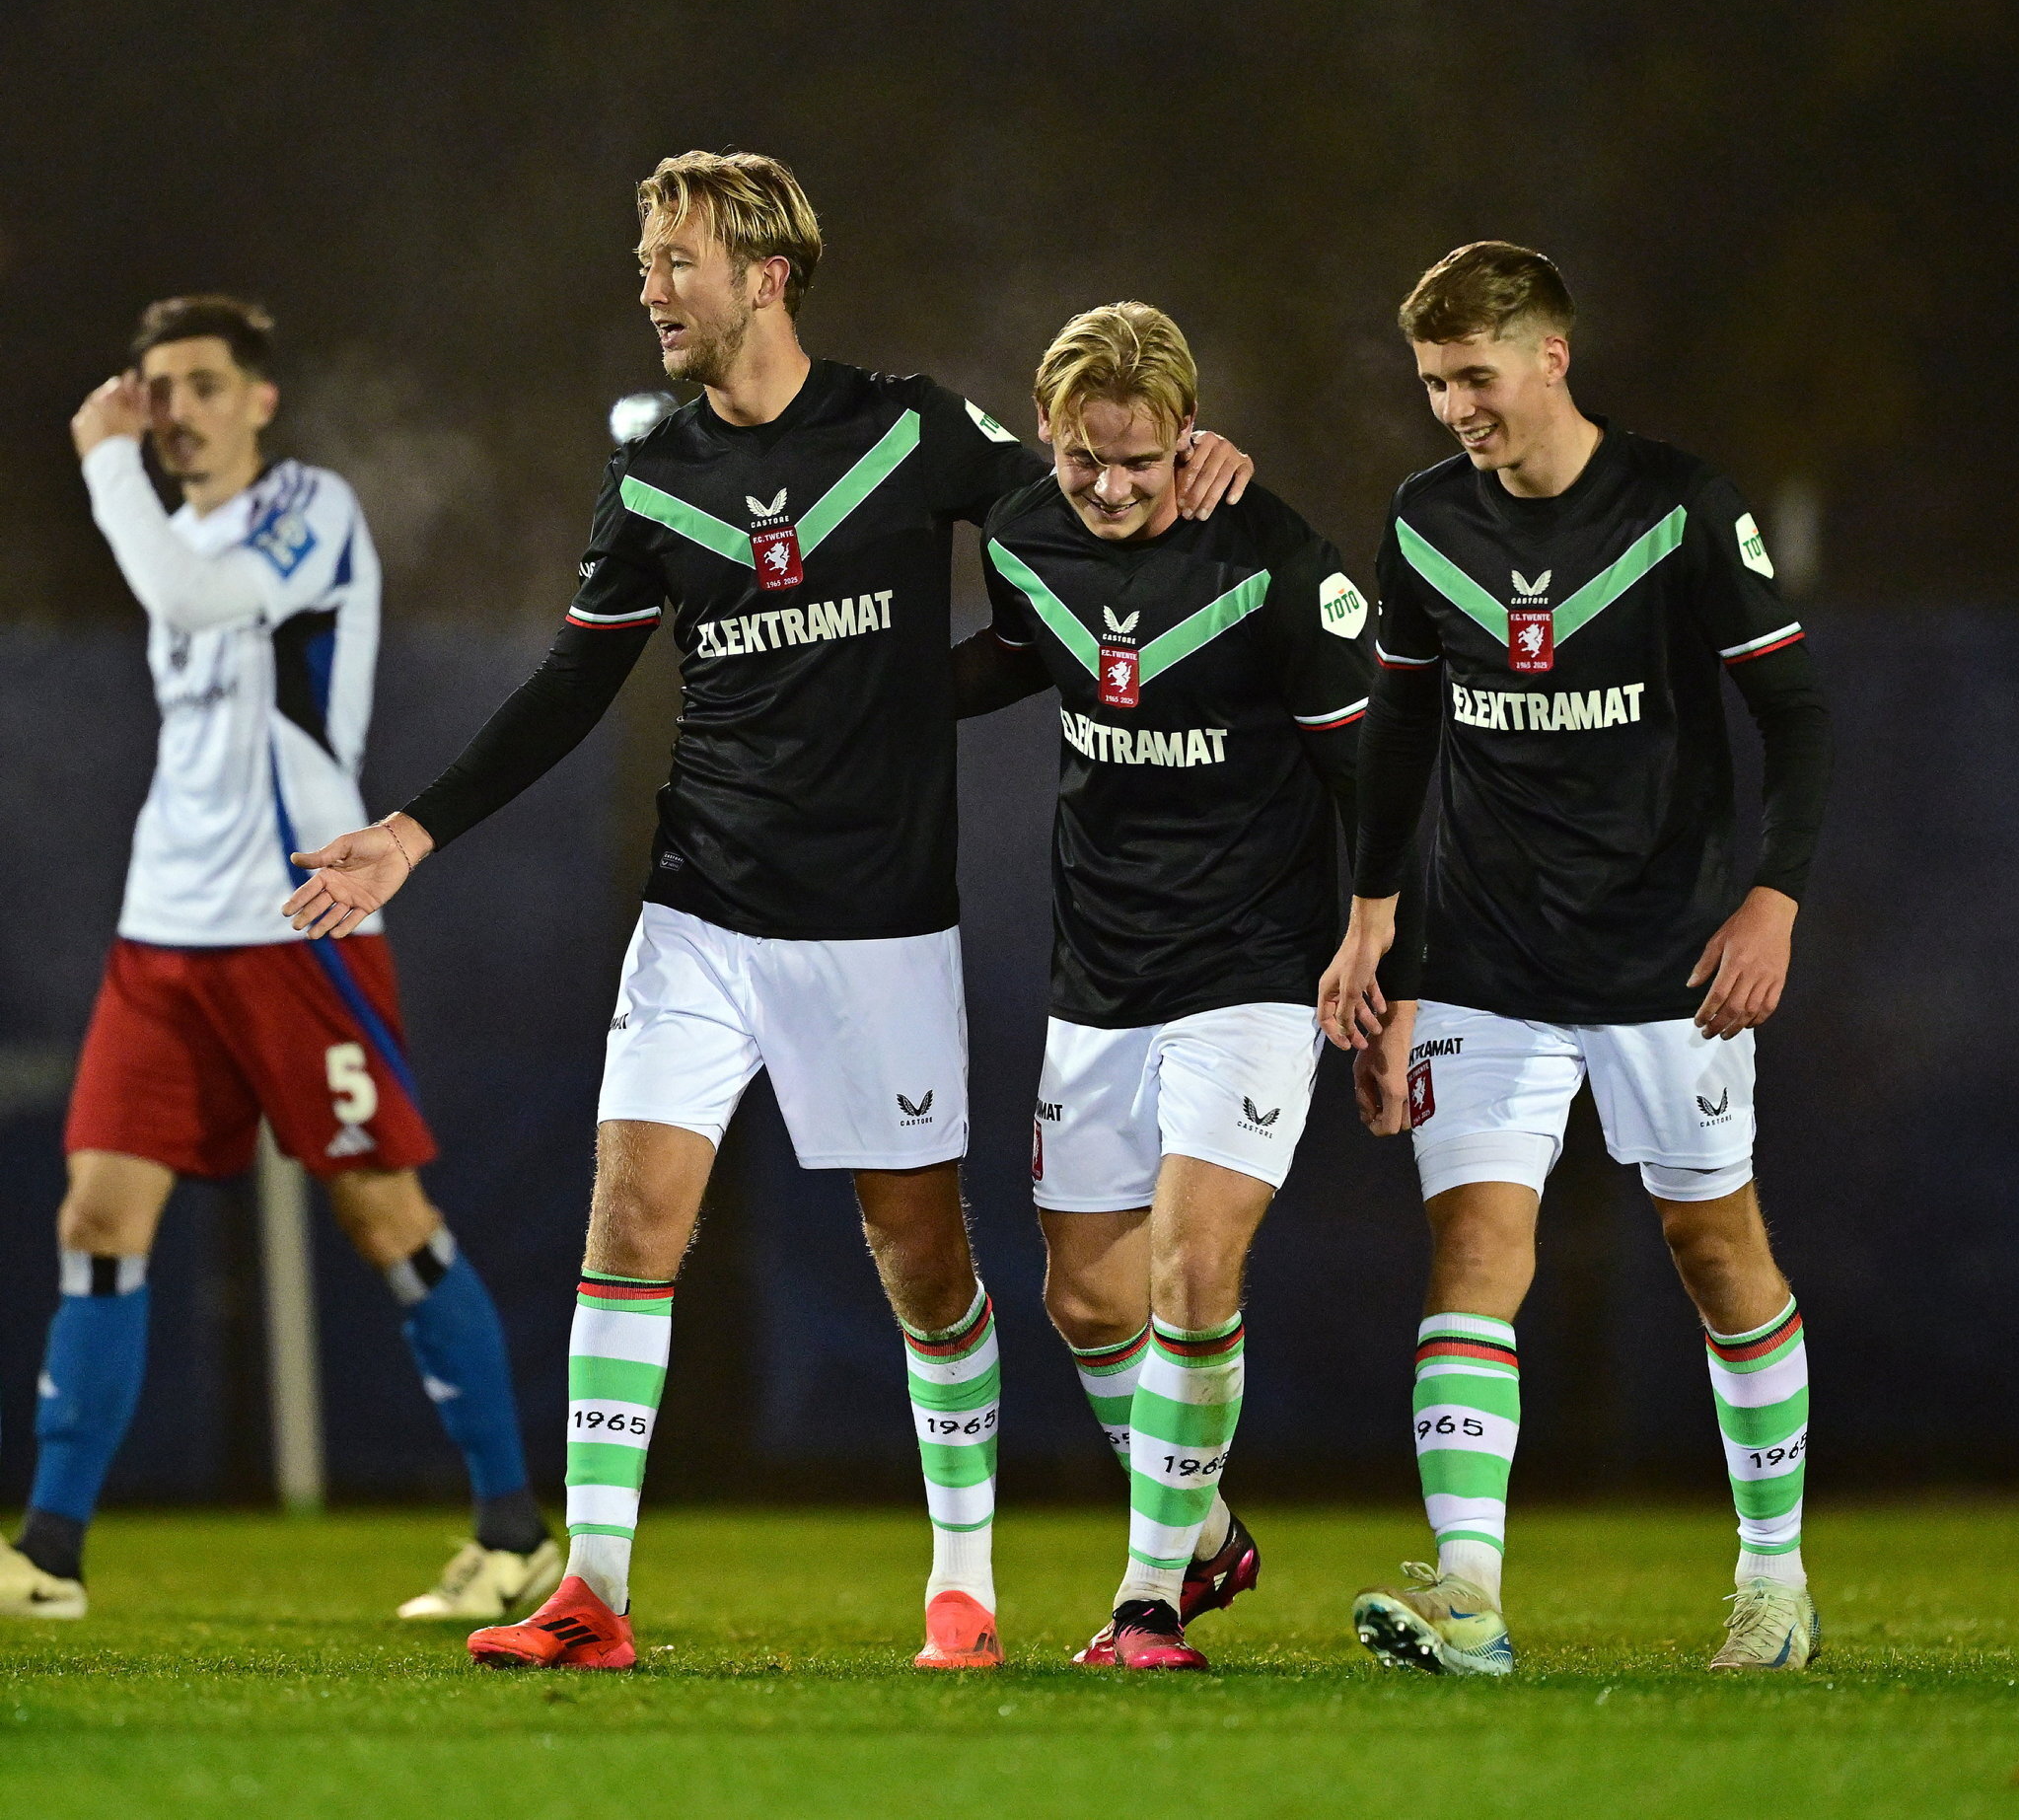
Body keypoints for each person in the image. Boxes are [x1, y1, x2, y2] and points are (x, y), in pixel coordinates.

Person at [281, 154, 1252, 1672]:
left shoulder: (913, 428)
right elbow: (572, 682)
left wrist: (1190, 476)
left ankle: (964, 1590)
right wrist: (413, 830)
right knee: (630, 1217)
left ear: (766, 275)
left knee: (923, 1263)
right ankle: (590, 1588)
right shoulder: (655, 473)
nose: (652, 285)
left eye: (677, 258)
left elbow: (1080, 540)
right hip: (701, 913)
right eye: (646, 258)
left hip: (877, 930)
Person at [1319, 243, 1832, 1675]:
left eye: (1474, 377)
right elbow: (1403, 735)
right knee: (1476, 1247)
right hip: (1487, 956)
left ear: (1553, 355)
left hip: (1671, 959)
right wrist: (1379, 929)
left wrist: (1773, 901)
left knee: (1714, 1245)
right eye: (1432, 385)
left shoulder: (1676, 507)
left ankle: (1774, 1586)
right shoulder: (1425, 522)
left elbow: (1797, 716)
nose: (1455, 410)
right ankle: (1469, 1595)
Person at [2, 297, 548, 1625]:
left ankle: (514, 1534)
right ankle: (51, 1558)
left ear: (259, 399)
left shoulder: (310, 510)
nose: (174, 409)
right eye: (156, 387)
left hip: (302, 931)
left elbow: (197, 596)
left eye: (199, 384)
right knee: (96, 1221)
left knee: (385, 1222)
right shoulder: (174, 531)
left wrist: (99, 458)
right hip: (163, 938)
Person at [952, 300, 1391, 1668]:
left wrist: (1386, 950)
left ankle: (1150, 1599)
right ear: (1049, 436)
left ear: (1189, 437)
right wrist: (856, 687)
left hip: (1256, 974)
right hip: (1099, 973)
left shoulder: (1273, 561)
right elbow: (1026, 656)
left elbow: (1372, 774)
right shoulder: (1025, 538)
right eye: (1088, 459)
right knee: (1087, 1301)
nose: (1114, 486)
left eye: (1142, 461)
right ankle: (1205, 1533)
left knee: (1195, 1274)